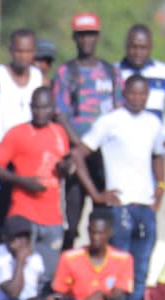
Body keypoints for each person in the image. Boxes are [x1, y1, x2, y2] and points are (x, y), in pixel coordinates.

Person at [72, 74, 165, 300]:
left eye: (142, 93)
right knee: (116, 269)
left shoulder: (153, 123)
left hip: (145, 206)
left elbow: (158, 156)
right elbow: (78, 154)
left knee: (142, 269)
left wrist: (161, 188)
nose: (137, 98)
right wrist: (96, 194)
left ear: (148, 95)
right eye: (132, 93)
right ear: (124, 94)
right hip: (119, 206)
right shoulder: (110, 121)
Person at [53, 13, 123, 249]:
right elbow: (60, 113)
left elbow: (119, 112)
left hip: (105, 159)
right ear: (75, 38)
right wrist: (82, 146)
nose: (86, 40)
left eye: (90, 35)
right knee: (71, 224)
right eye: (82, 35)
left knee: (104, 219)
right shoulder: (66, 72)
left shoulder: (111, 73)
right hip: (77, 156)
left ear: (97, 37)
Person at [0, 86, 72, 278]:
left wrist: (66, 169)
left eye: (45, 108)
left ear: (53, 108)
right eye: (36, 108)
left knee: (47, 276)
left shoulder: (59, 132)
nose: (40, 113)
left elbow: (64, 164)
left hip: (53, 218)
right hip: (24, 214)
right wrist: (23, 182)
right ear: (30, 107)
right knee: (22, 272)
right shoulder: (18, 133)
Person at [117, 24, 165, 143]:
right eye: (133, 47)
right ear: (126, 46)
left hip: (153, 145)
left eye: (143, 48)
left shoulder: (163, 72)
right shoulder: (113, 72)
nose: (138, 52)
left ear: (151, 47)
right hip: (121, 144)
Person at [0, 29, 44, 143]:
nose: (23, 56)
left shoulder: (39, 78)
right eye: (19, 51)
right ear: (11, 51)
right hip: (0, 147)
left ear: (35, 52)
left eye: (28, 52)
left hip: (29, 149)